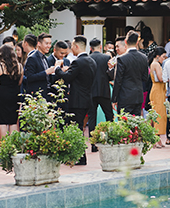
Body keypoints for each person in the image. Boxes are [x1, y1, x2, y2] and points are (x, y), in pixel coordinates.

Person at [58, 36, 96, 165]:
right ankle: (79, 156)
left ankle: (80, 157)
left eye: (72, 46)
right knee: (80, 128)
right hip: (87, 99)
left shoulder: (78, 62)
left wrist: (58, 69)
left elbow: (68, 78)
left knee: (77, 128)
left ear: (76, 46)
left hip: (77, 101)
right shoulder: (91, 61)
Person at [112, 31, 149, 115]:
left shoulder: (121, 59)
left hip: (125, 96)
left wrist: (114, 99)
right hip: (138, 95)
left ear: (125, 41)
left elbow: (118, 80)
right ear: (137, 42)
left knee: (124, 123)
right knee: (136, 123)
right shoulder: (144, 57)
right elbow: (145, 77)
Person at [0, 44, 23, 139]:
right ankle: (13, 146)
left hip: (2, 95)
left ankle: (4, 147)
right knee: (13, 121)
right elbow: (20, 82)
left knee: (3, 122)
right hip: (15, 95)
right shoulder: (20, 66)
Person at [88, 38, 112, 151]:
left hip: (91, 91)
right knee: (109, 115)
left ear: (90, 48)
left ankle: (93, 144)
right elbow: (110, 75)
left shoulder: (88, 58)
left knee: (92, 117)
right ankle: (110, 138)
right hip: (103, 90)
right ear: (101, 47)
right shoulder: (106, 58)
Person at [23, 33, 60, 100]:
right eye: (46, 43)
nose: (49, 46)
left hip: (46, 94)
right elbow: (29, 77)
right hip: (36, 95)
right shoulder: (32, 58)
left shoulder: (45, 58)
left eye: (50, 43)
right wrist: (46, 72)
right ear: (39, 44)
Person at [148, 47, 167, 148]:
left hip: (158, 90)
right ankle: (156, 138)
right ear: (158, 56)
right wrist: (167, 77)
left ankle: (156, 139)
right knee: (158, 114)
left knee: (157, 113)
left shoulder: (155, 64)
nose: (164, 59)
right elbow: (160, 78)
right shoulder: (156, 64)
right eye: (163, 57)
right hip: (157, 90)